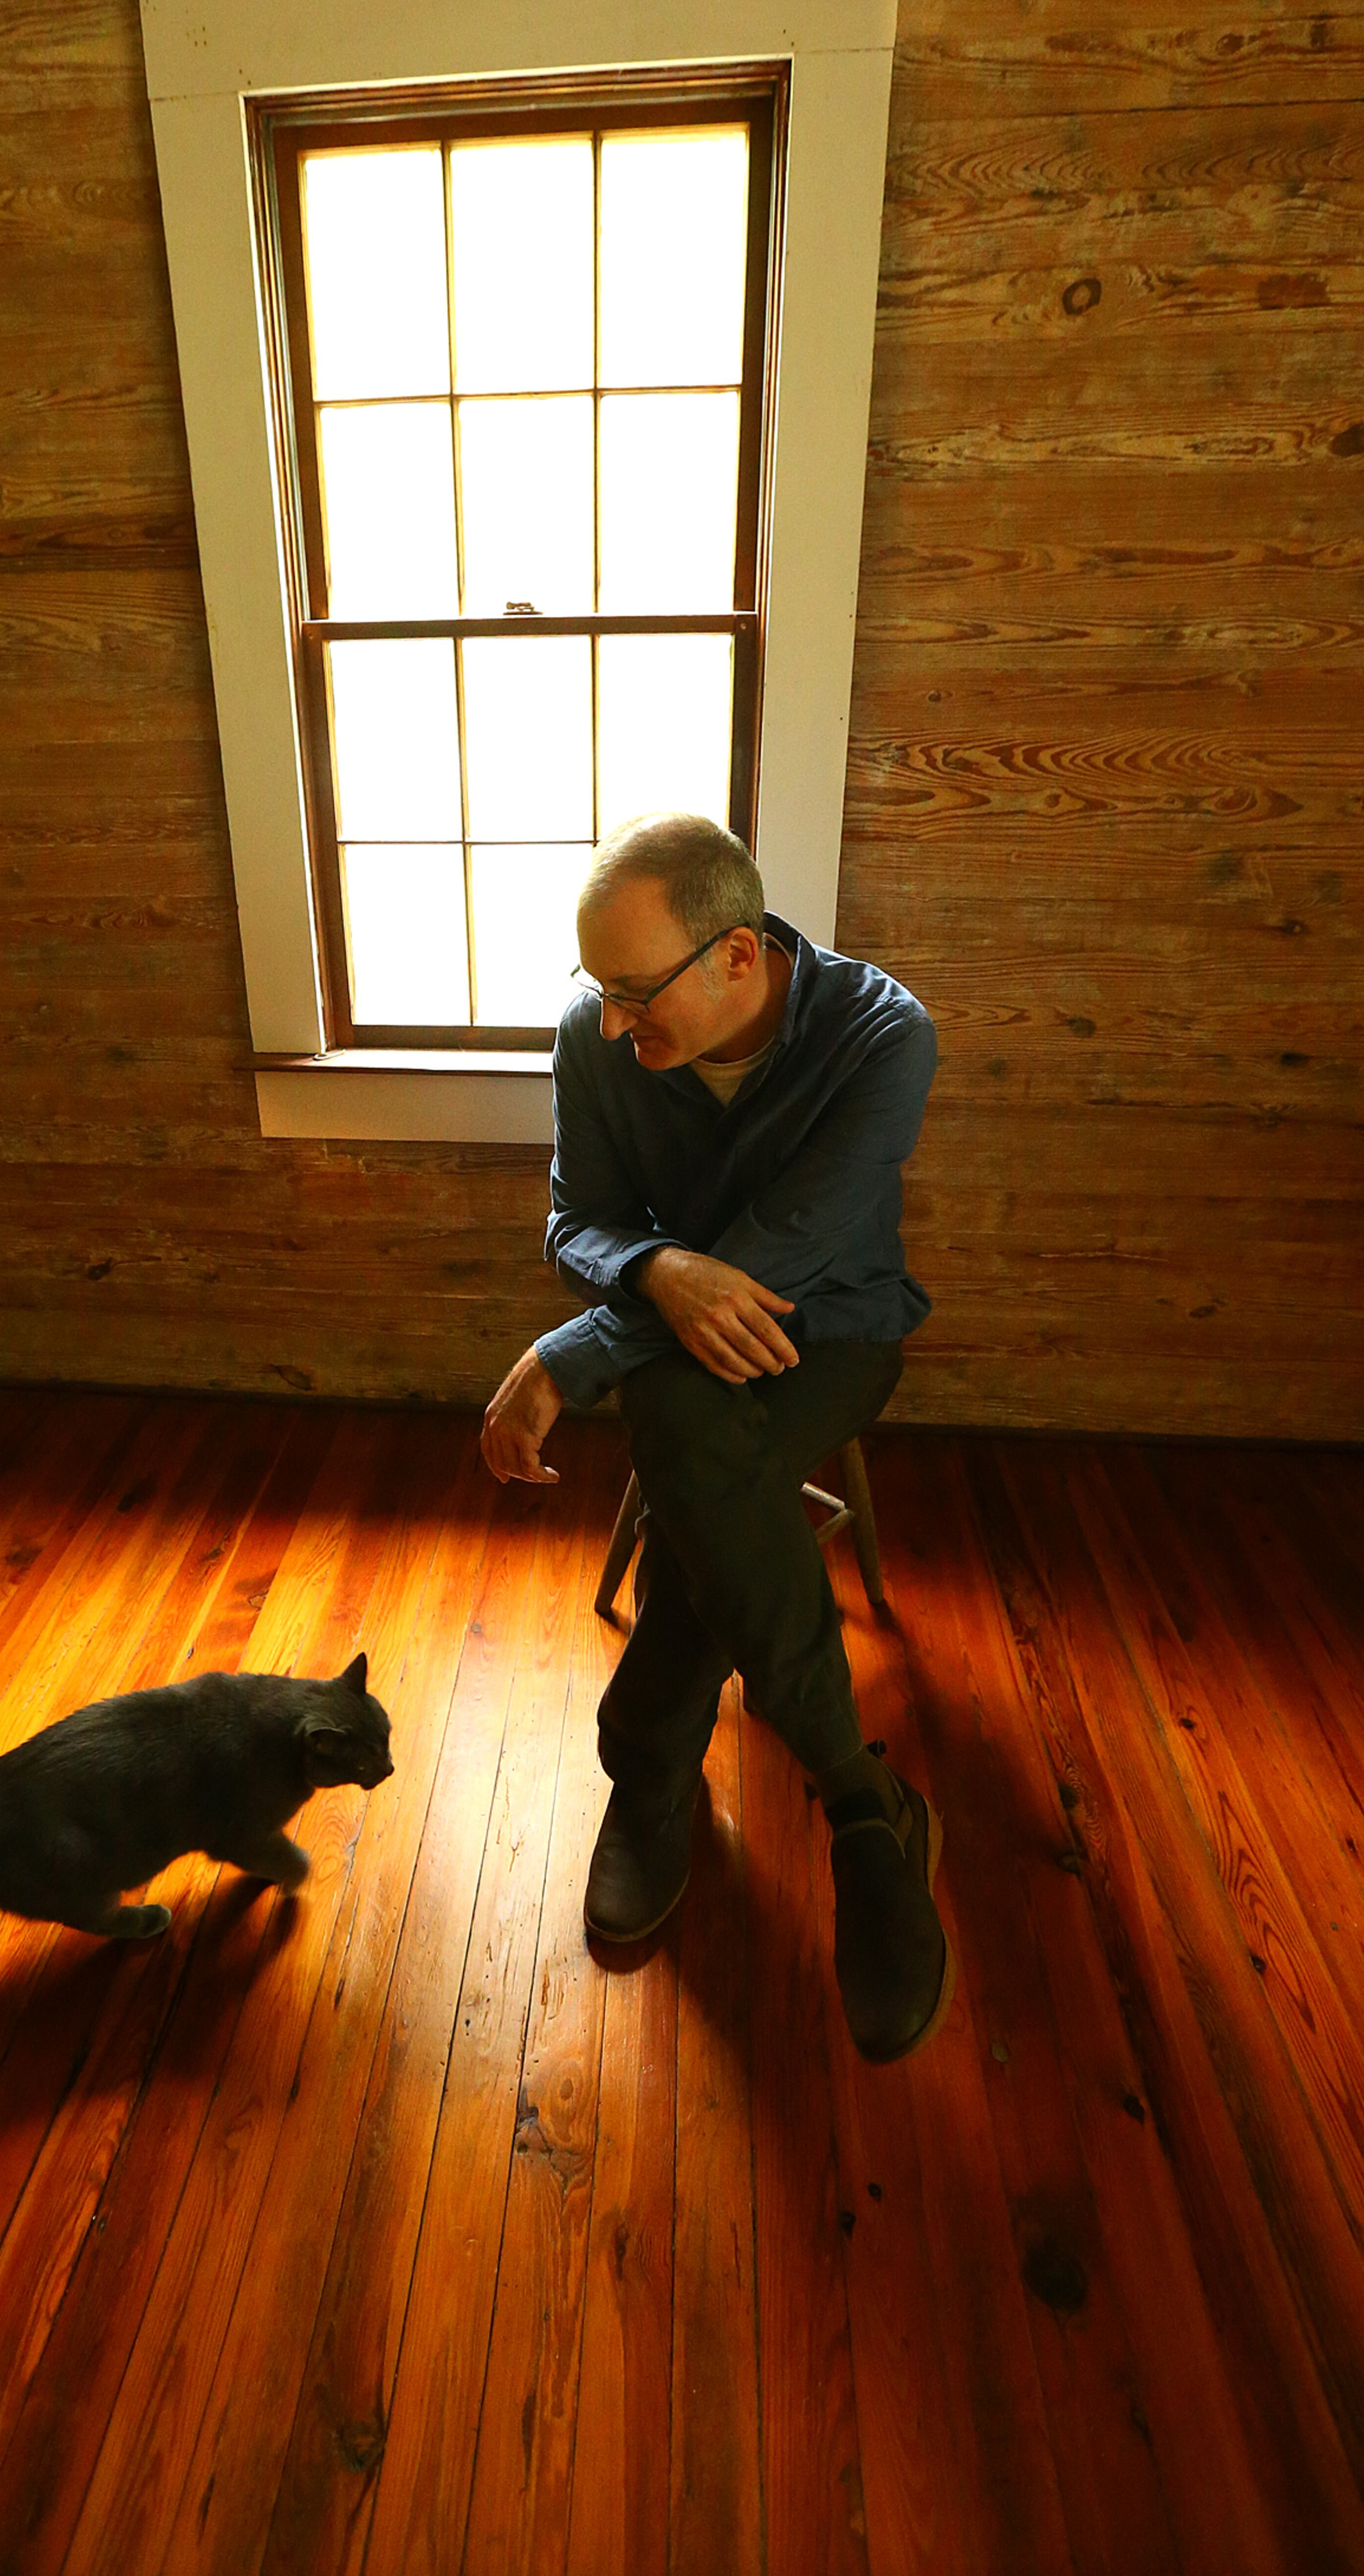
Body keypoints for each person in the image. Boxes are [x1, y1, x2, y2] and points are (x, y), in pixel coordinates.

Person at [480, 814, 951, 2065]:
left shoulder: (882, 1036)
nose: (614, 1025)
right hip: (668, 1339)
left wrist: (560, 1357)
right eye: (600, 993)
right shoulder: (601, 1033)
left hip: (832, 1332)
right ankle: (862, 1799)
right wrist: (659, 1268)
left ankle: (648, 1774)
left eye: (637, 994)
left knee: (690, 1452)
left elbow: (787, 1256)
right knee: (693, 1438)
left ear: (738, 956)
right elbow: (577, 1219)